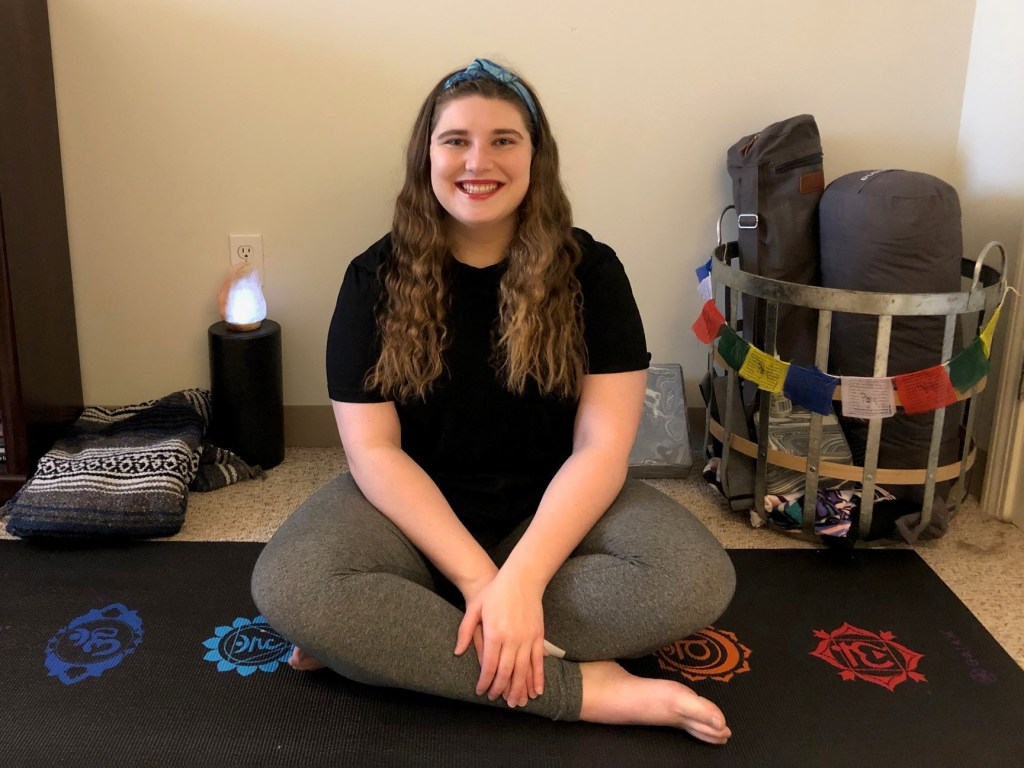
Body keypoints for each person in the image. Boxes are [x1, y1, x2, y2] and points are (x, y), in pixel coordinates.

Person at [251, 58, 736, 745]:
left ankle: (388, 646)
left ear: (536, 155)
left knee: (693, 579)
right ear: (427, 155)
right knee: (294, 587)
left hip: (553, 510)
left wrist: (523, 580)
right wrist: (483, 584)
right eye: (456, 141)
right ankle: (583, 689)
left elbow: (602, 449)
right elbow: (374, 452)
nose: (478, 162)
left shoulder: (593, 272)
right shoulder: (371, 279)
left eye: (504, 140)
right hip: (411, 514)